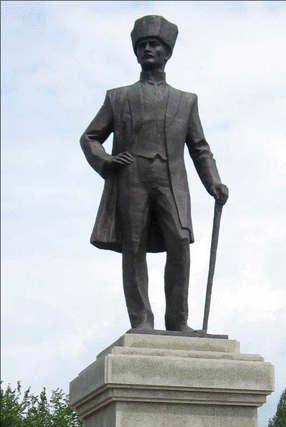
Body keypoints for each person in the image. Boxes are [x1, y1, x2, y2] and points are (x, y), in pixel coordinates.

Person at [80, 15, 228, 332]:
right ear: (136, 52)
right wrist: (105, 161)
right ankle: (141, 319)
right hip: (131, 178)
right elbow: (90, 137)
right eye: (143, 44)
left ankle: (177, 321)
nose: (148, 48)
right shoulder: (117, 97)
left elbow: (200, 148)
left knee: (179, 243)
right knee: (133, 247)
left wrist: (213, 182)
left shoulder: (186, 102)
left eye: (154, 44)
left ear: (166, 52)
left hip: (172, 181)